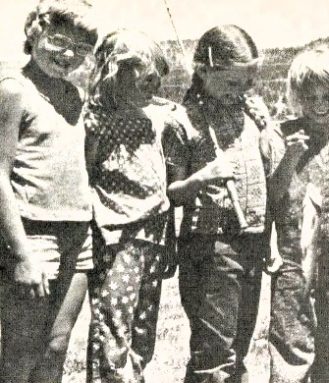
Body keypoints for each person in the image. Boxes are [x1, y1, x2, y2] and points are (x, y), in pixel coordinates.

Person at [163, 24, 271, 383]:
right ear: (203, 70)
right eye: (231, 84)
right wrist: (202, 177)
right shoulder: (183, 122)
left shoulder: (252, 116)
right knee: (214, 355)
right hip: (209, 246)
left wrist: (267, 128)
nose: (240, 92)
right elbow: (173, 193)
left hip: (252, 241)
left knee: (238, 349)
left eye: (247, 84)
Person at [0, 1, 97, 382]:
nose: (68, 54)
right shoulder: (12, 90)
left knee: (57, 345)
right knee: (21, 350)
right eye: (58, 40)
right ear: (34, 31)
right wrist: (21, 254)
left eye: (80, 48)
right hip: (32, 233)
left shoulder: (73, 95)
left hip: (78, 235)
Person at [261, 47, 329, 383]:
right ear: (296, 97)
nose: (320, 105)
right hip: (294, 261)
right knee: (292, 341)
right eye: (310, 97)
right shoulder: (277, 137)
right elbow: (270, 198)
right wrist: (291, 156)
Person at [84, 29, 178, 382]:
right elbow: (87, 176)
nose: (152, 90)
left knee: (143, 330)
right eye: (144, 82)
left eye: (156, 83)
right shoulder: (95, 120)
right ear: (115, 74)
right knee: (113, 327)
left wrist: (169, 242)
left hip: (154, 234)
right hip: (116, 238)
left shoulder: (154, 117)